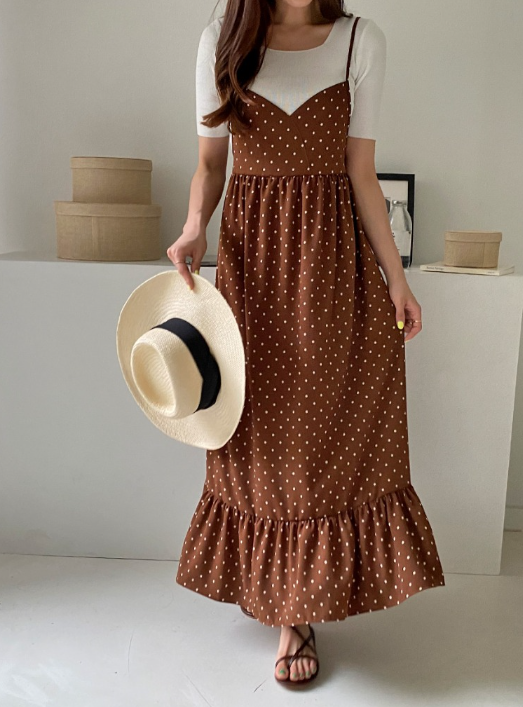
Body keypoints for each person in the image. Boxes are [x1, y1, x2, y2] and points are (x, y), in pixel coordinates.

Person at [167, 0, 445, 686]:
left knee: (320, 433)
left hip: (331, 266)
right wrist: (195, 225)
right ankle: (289, 608)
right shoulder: (223, 40)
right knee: (262, 432)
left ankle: (300, 604)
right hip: (253, 264)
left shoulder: (359, 41)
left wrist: (397, 279)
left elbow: (361, 172)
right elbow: (210, 163)